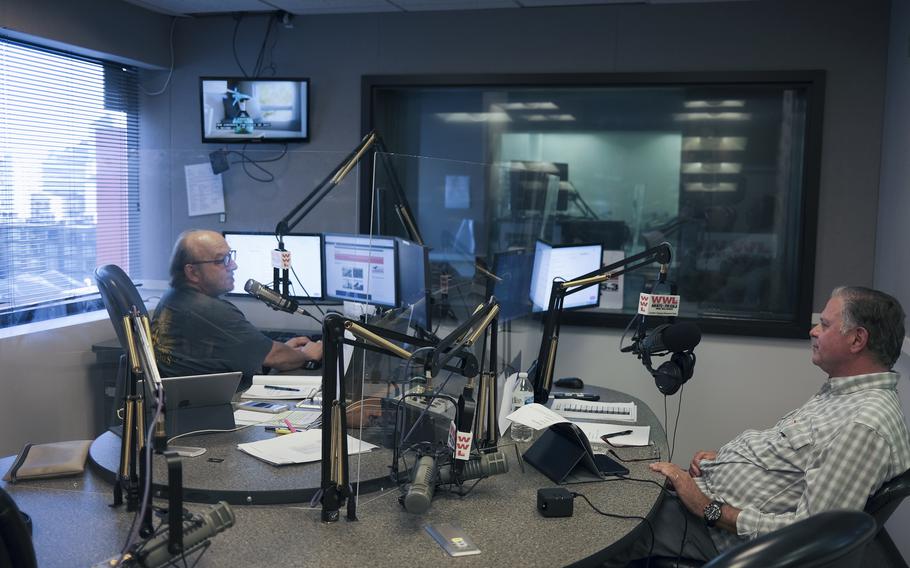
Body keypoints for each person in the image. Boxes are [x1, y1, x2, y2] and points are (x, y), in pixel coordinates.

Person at [609, 286, 910, 566]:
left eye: (826, 325)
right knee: (617, 484)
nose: (813, 330)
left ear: (857, 340)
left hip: (717, 536)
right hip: (707, 499)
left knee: (609, 529)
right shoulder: (844, 393)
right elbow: (792, 465)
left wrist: (707, 507)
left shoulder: (863, 426)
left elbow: (808, 534)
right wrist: (725, 461)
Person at [151, 229, 322, 391]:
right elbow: (275, 357)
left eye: (230, 256)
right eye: (222, 260)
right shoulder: (210, 310)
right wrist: (306, 354)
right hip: (212, 409)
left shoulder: (172, 298)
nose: (233, 266)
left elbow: (249, 353)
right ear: (193, 272)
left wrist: (277, 351)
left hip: (185, 404)